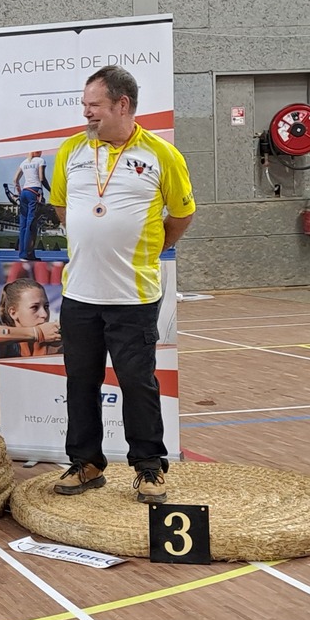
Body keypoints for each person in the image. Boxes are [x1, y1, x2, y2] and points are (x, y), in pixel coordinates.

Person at [51, 65, 196, 504]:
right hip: (79, 295)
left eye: (94, 105)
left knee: (137, 383)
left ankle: (149, 467)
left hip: (133, 297)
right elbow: (62, 207)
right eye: (84, 105)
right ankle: (86, 463)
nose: (86, 113)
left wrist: (152, 248)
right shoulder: (71, 150)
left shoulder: (161, 154)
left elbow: (182, 214)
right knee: (80, 382)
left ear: (122, 105)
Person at [0, 278, 60, 359]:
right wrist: (38, 333)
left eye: (46, 306)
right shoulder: (6, 346)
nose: (44, 314)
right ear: (13, 313)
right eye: (34, 307)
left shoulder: (58, 343)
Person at [14, 151, 49, 260]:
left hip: (25, 191)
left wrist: (19, 192)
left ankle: (23, 253)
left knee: (23, 225)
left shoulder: (24, 162)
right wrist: (51, 190)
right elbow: (42, 178)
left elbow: (15, 180)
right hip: (34, 191)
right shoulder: (40, 161)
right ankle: (28, 254)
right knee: (31, 224)